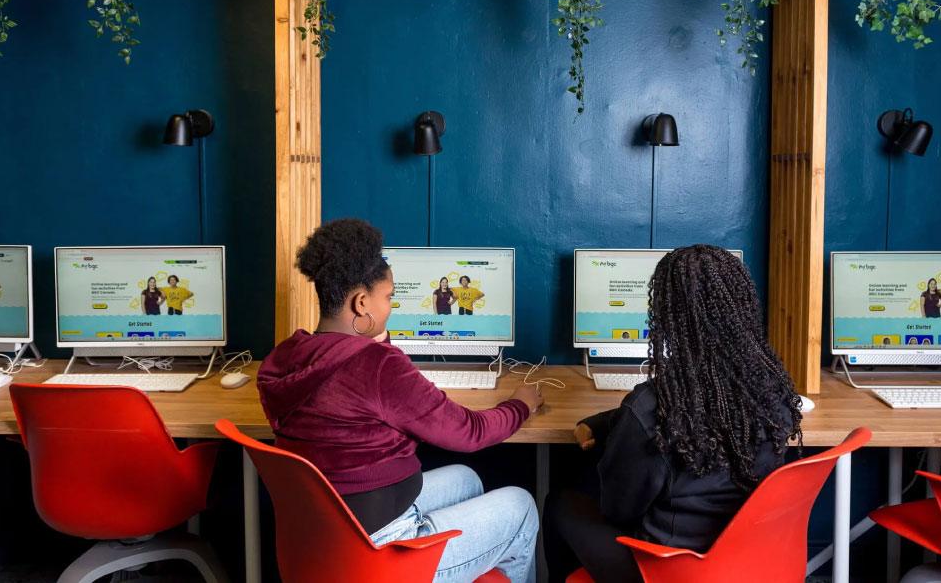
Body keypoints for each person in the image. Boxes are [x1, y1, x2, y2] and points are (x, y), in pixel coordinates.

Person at [258, 219, 542, 583]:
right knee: (521, 507)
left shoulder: (287, 356)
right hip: (379, 554)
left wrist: (374, 333)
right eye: (388, 297)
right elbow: (469, 432)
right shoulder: (375, 366)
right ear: (361, 302)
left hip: (323, 539)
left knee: (466, 479)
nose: (391, 306)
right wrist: (520, 404)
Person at [545, 245, 802, 583]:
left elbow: (618, 510)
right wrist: (609, 422)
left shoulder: (653, 405)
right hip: (747, 561)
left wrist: (625, 422)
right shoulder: (772, 394)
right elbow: (703, 410)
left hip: (664, 568)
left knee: (560, 503)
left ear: (666, 315)